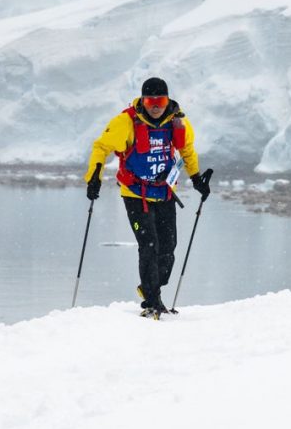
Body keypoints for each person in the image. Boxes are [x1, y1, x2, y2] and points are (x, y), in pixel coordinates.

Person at [85, 77, 211, 318]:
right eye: (151, 100)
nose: (156, 106)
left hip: (164, 192)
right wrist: (94, 177)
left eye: (160, 100)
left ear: (167, 100)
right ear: (143, 100)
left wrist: (196, 179)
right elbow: (101, 147)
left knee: (168, 249)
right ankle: (152, 302)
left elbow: (186, 150)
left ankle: (150, 289)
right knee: (149, 245)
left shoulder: (178, 122)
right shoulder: (126, 122)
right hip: (135, 193)